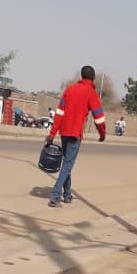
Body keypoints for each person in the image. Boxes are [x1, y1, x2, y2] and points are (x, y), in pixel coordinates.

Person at [45, 65, 106, 207]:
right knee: (67, 165)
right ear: (93, 78)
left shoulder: (70, 90)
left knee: (67, 163)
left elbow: (59, 113)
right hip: (75, 134)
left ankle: (67, 195)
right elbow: (99, 118)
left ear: (81, 76)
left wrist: (52, 133)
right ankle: (55, 196)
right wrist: (102, 134)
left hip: (64, 132)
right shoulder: (91, 93)